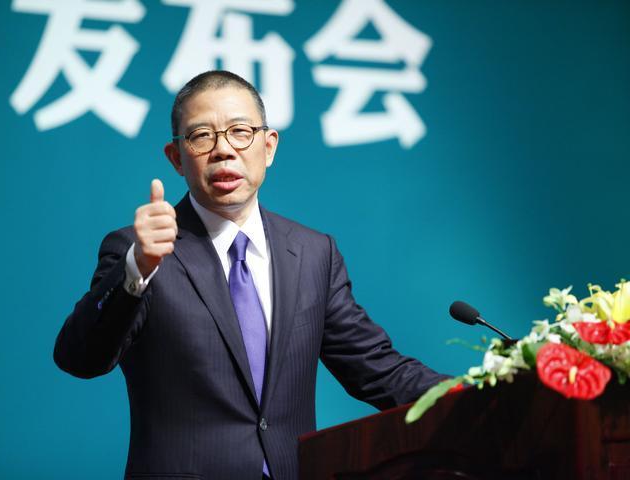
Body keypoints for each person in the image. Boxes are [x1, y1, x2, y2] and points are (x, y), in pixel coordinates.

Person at [54, 70, 448, 480]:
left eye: (240, 132)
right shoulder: (139, 250)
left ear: (269, 146)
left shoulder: (313, 253)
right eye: (202, 136)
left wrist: (480, 392)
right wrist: (137, 269)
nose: (224, 150)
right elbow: (79, 358)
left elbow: (377, 369)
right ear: (176, 158)